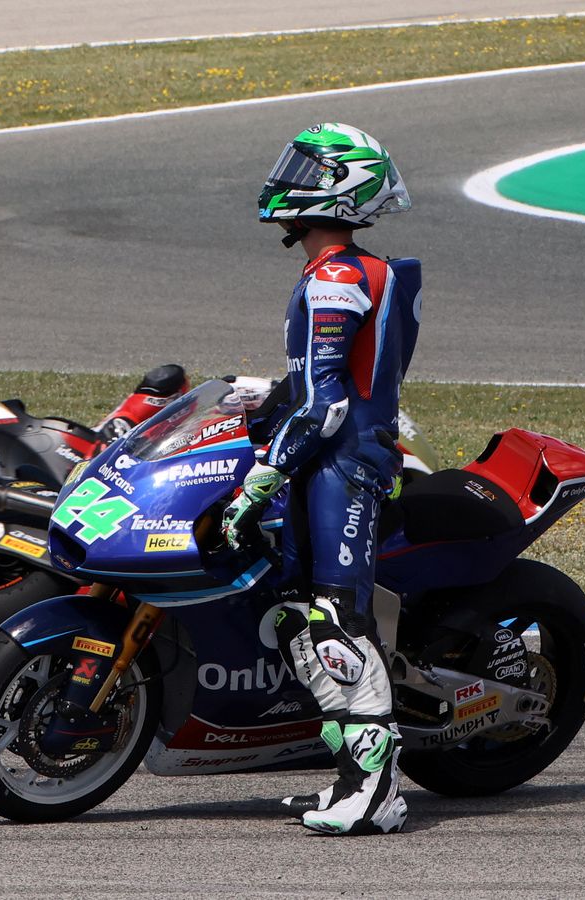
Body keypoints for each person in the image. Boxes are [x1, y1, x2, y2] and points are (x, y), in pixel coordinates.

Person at [221, 122, 421, 836]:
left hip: (342, 462)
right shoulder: (334, 271)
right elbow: (310, 387)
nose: (287, 177)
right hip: (333, 456)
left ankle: (379, 790)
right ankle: (349, 779)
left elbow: (326, 400)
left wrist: (262, 479)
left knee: (338, 618)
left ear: (340, 187)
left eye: (306, 168)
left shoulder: (339, 275)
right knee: (308, 617)